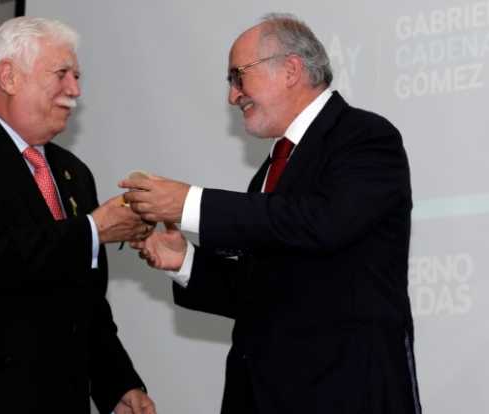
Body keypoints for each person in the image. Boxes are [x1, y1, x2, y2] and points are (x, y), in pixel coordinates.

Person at [122, 13, 421, 414]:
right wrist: (185, 260)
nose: (232, 96)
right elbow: (264, 291)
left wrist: (190, 203)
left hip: (344, 394)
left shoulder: (365, 137)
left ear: (291, 70)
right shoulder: (274, 167)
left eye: (237, 77)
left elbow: (323, 223)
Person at [0, 17, 155, 414]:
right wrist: (91, 229)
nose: (75, 90)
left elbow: (83, 301)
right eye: (62, 74)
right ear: (9, 77)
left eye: (77, 76)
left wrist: (117, 383)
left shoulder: (74, 173)